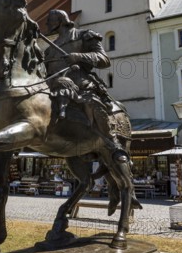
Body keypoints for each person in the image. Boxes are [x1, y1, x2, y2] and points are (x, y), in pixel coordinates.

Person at [44, 9, 123, 153]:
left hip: (79, 83)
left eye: (50, 19)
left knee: (92, 103)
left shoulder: (83, 35)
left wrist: (78, 57)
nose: (47, 22)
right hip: (54, 85)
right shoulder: (49, 49)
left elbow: (104, 60)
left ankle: (112, 141)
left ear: (60, 20)